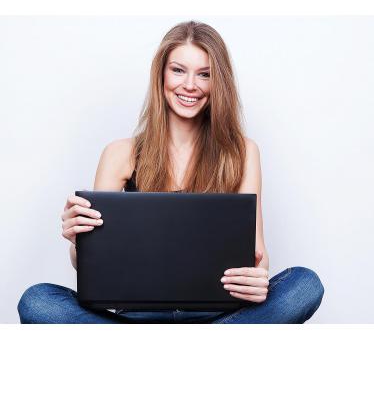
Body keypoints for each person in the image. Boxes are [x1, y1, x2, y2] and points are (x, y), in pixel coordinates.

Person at [17, 20, 324, 324]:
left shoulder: (242, 152)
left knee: (304, 285)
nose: (190, 85)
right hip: (139, 315)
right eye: (178, 70)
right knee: (38, 301)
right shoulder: (120, 153)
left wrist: (257, 278)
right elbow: (91, 267)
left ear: (218, 83)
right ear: (161, 74)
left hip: (217, 313)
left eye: (204, 74)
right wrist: (78, 241)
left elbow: (257, 254)